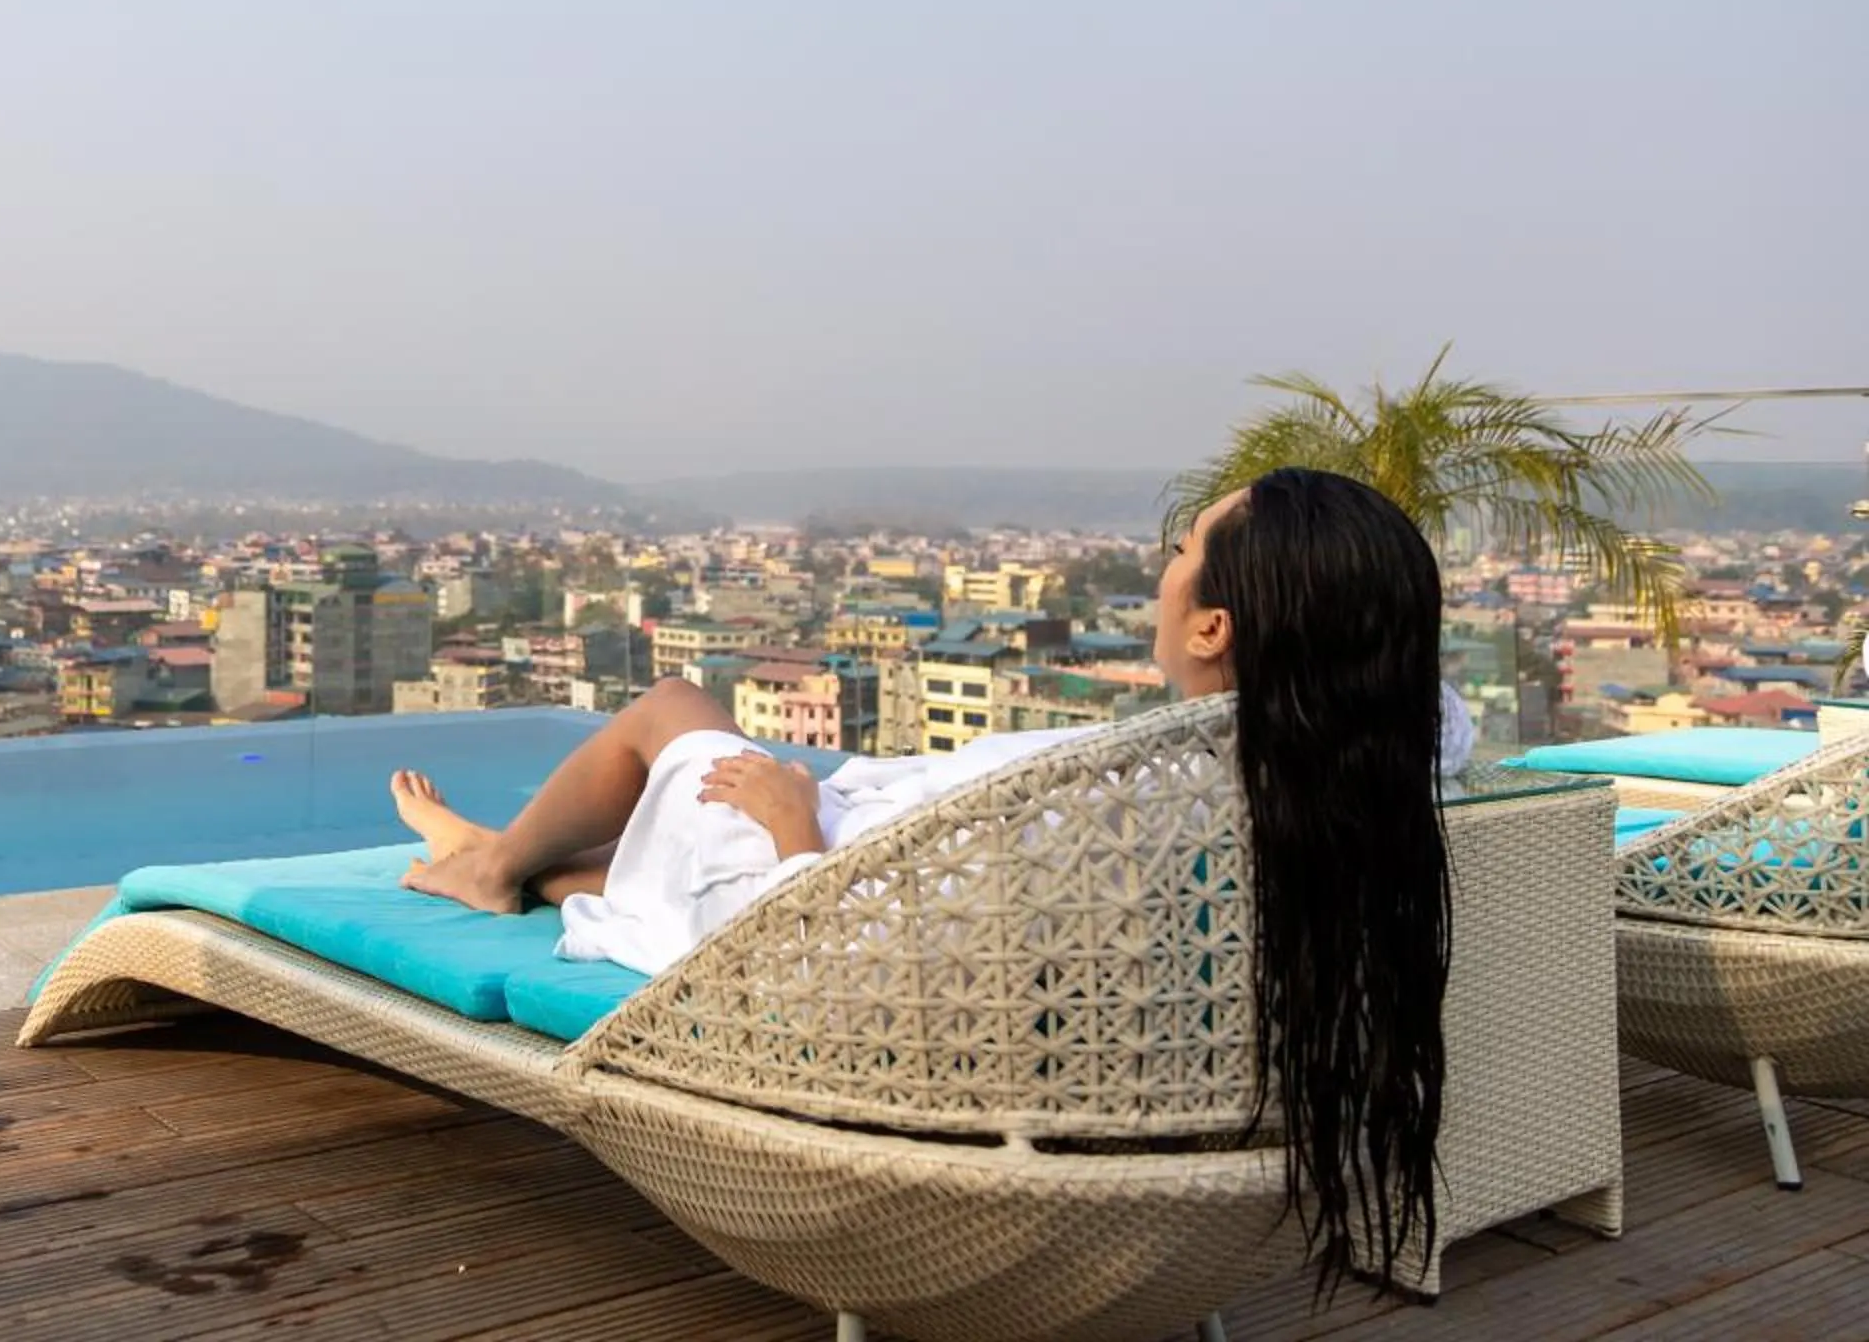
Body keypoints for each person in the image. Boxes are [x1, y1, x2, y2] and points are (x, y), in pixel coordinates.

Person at [389, 467, 1459, 1290]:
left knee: (670, 707)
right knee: (650, 828)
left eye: (1182, 551)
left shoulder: (1108, 808)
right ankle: (515, 855)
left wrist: (793, 820)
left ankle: (491, 861)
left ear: (1213, 626)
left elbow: (831, 960)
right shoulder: (1328, 770)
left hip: (818, 904)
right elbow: (1442, 718)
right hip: (890, 865)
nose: (1164, 567)